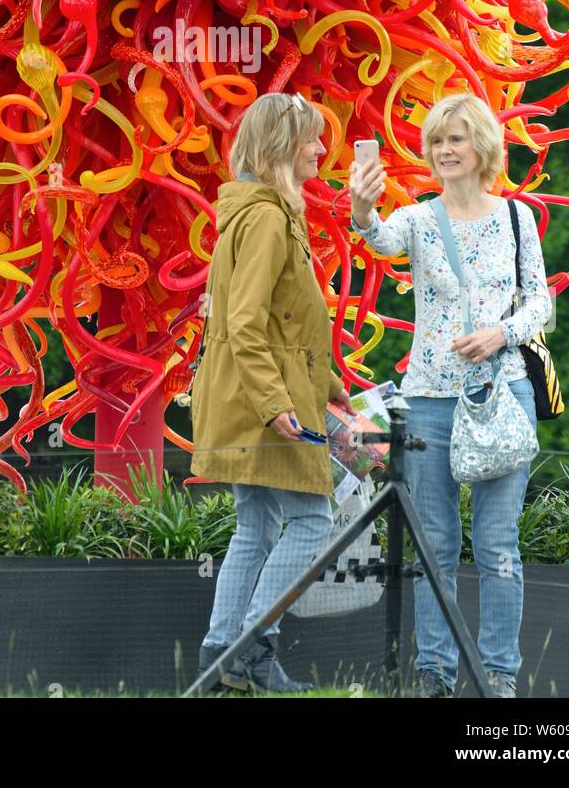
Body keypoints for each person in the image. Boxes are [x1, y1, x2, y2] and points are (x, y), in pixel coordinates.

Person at [350, 93, 552, 698]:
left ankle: (497, 676)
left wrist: (501, 333)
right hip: (429, 401)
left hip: (501, 394)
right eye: (437, 141)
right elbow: (379, 241)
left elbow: (539, 301)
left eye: (456, 139)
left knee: (498, 548)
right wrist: (361, 208)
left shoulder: (517, 219)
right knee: (434, 546)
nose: (444, 151)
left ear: (482, 146)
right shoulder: (416, 218)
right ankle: (434, 674)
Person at [191, 90, 355, 693]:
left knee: (255, 525)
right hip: (264, 404)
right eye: (312, 138)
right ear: (284, 146)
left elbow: (284, 324)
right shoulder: (265, 217)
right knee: (313, 520)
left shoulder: (257, 211)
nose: (320, 148)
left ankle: (218, 657)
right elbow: (246, 321)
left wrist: (330, 388)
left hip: (252, 396)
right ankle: (252, 645)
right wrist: (278, 406)